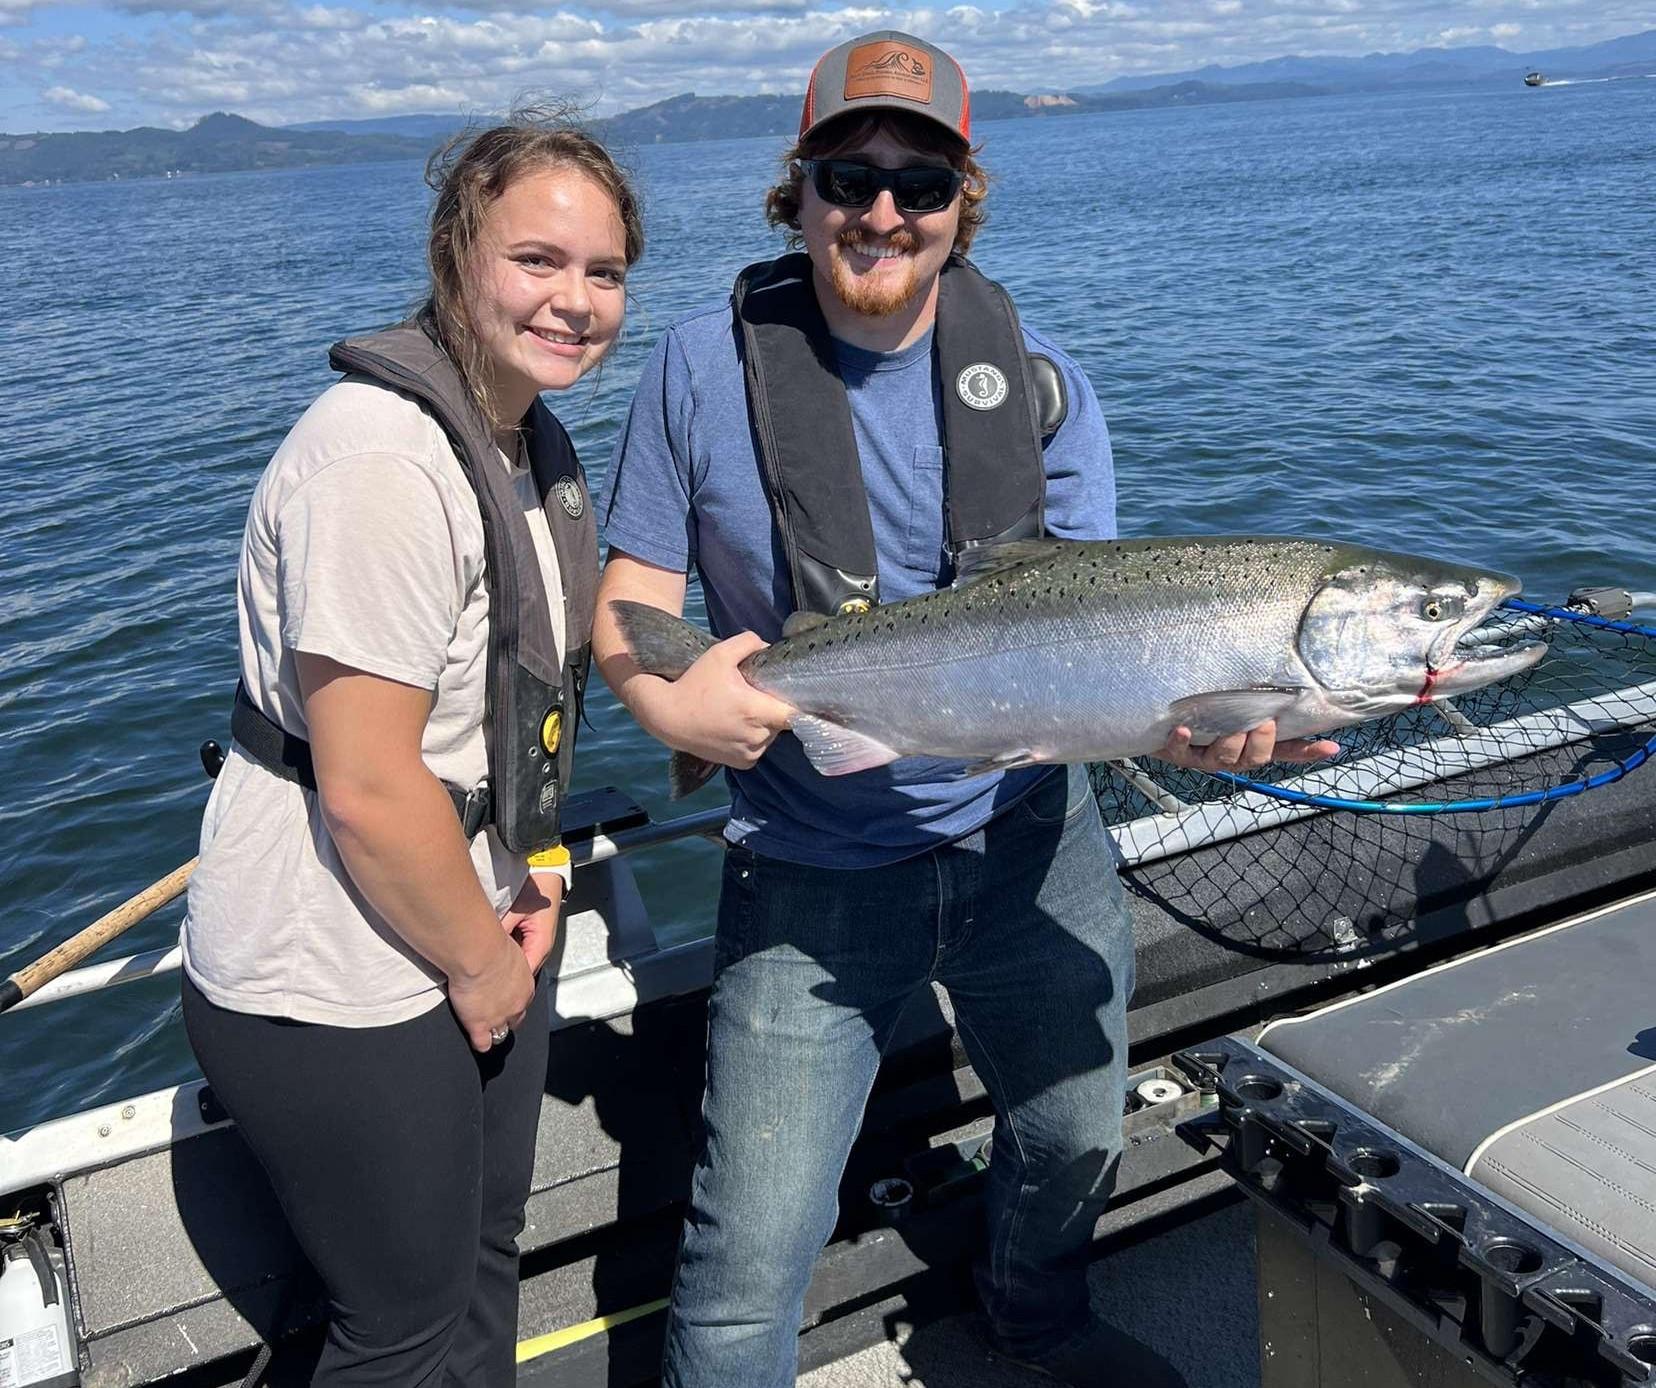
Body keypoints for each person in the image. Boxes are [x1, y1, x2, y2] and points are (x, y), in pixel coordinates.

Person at [594, 30, 1336, 1388]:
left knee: (1074, 1136)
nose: (882, 210)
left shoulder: (1043, 383)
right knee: (750, 1243)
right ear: (797, 192)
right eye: (847, 175)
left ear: (961, 203)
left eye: (918, 182)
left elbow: (1106, 630)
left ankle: (1035, 1321)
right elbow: (628, 595)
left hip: (1026, 835)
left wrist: (1194, 724)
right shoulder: (700, 370)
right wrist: (667, 697)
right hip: (811, 863)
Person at [180, 112, 642, 1385]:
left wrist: (535, 863)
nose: (575, 300)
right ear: (456, 255)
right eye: (536, 260)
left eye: (603, 271)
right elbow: (375, 786)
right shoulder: (380, 459)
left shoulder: (515, 439)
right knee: (403, 1327)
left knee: (480, 1258)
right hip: (335, 962)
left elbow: (513, 705)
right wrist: (480, 971)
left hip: (475, 912)